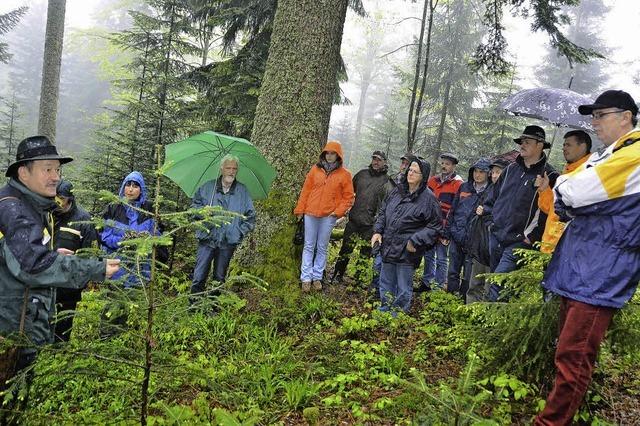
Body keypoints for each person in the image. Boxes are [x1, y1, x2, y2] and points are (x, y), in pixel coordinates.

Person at [535, 90, 640, 425]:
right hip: (582, 266)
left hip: (601, 271)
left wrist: (569, 190)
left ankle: (552, 422)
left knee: (574, 358)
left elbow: (573, 191)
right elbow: (565, 198)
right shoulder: (612, 154)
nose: (594, 124)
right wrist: (570, 191)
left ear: (626, 116)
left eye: (600, 116)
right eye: (592, 117)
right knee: (567, 353)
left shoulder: (634, 154)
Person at [0, 136, 119, 380]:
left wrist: (52, 255)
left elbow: (19, 254)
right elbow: (32, 266)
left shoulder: (34, 206)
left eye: (57, 169)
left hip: (20, 326)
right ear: (24, 173)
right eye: (47, 169)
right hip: (8, 331)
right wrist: (95, 269)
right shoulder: (13, 209)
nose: (56, 176)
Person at [481, 126, 558, 301]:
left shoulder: (550, 176)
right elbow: (492, 197)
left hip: (520, 241)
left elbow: (551, 212)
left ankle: (491, 326)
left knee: (497, 282)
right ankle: (502, 323)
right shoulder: (510, 169)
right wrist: (490, 222)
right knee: (503, 286)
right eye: (521, 142)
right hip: (497, 235)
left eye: (527, 142)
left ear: (540, 145)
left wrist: (531, 237)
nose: (522, 145)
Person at [372, 156, 441, 314]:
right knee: (385, 282)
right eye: (410, 170)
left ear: (423, 176)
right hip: (388, 245)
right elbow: (383, 212)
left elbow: (435, 226)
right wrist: (377, 231)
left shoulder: (429, 199)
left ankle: (398, 315)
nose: (410, 173)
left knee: (403, 287)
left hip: (407, 250)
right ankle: (384, 311)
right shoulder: (397, 191)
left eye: (415, 172)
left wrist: (415, 240)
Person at [190, 154, 256, 300]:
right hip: (207, 239)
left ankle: (213, 307)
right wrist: (203, 213)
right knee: (199, 275)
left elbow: (250, 217)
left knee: (219, 277)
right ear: (221, 169)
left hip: (228, 242)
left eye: (234, 168)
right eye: (228, 168)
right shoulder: (208, 188)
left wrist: (239, 232)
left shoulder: (242, 191)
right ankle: (194, 307)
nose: (231, 171)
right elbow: (193, 209)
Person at [294, 141, 354, 292]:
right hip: (310, 213)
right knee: (308, 245)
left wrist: (337, 212)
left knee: (321, 247)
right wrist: (300, 210)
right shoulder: (315, 170)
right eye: (327, 153)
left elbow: (348, 197)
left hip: (329, 216)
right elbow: (305, 191)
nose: (329, 156)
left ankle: (317, 277)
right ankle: (306, 278)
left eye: (333, 153)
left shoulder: (345, 174)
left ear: (338, 155)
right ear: (323, 154)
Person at [331, 150, 394, 286]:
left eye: (379, 160)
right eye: (374, 159)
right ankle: (337, 274)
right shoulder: (361, 175)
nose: (376, 162)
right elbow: (349, 193)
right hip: (354, 220)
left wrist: (378, 222)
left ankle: (358, 280)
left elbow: (387, 204)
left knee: (365, 253)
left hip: (370, 224)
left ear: (384, 162)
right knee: (345, 249)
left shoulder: (387, 181)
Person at [52, 179, 99, 342]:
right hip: (44, 280)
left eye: (61, 198)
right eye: (54, 197)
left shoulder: (83, 220)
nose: (57, 201)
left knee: (63, 327)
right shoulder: (47, 215)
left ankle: (59, 354)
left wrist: (79, 280)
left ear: (69, 199)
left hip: (69, 284)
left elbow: (91, 254)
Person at [535, 130, 591, 254]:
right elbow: (552, 208)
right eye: (563, 145)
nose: (564, 148)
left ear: (582, 146)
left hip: (565, 248)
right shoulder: (568, 171)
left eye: (568, 145)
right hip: (549, 244)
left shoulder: (589, 173)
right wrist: (544, 190)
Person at [100, 171, 158, 288]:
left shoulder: (148, 210)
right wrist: (123, 241)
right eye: (128, 185)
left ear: (141, 190)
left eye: (135, 186)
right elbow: (104, 236)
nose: (130, 189)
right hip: (117, 267)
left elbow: (157, 236)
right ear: (123, 187)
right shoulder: (113, 208)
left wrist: (146, 239)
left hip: (140, 268)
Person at [445, 158, 491, 298]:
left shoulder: (490, 191)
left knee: (468, 274)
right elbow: (453, 210)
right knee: (453, 270)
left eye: (482, 172)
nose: (478, 175)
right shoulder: (464, 187)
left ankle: (464, 299)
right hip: (456, 235)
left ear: (488, 174)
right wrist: (448, 231)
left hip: (474, 240)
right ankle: (450, 297)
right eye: (476, 171)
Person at [466, 158, 508, 303]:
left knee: (490, 286)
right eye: (494, 172)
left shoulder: (509, 193)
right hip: (480, 244)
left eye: (499, 172)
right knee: (475, 283)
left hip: (495, 247)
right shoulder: (489, 189)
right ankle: (469, 313)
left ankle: (483, 317)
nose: (495, 175)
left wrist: (486, 213)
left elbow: (505, 217)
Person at [420, 152, 463, 291]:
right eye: (443, 163)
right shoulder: (432, 181)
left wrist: (448, 231)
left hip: (445, 226)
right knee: (428, 255)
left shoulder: (458, 184)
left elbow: (457, 209)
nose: (444, 166)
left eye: (448, 164)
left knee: (442, 258)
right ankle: (426, 283)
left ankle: (438, 286)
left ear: (454, 166)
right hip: (430, 224)